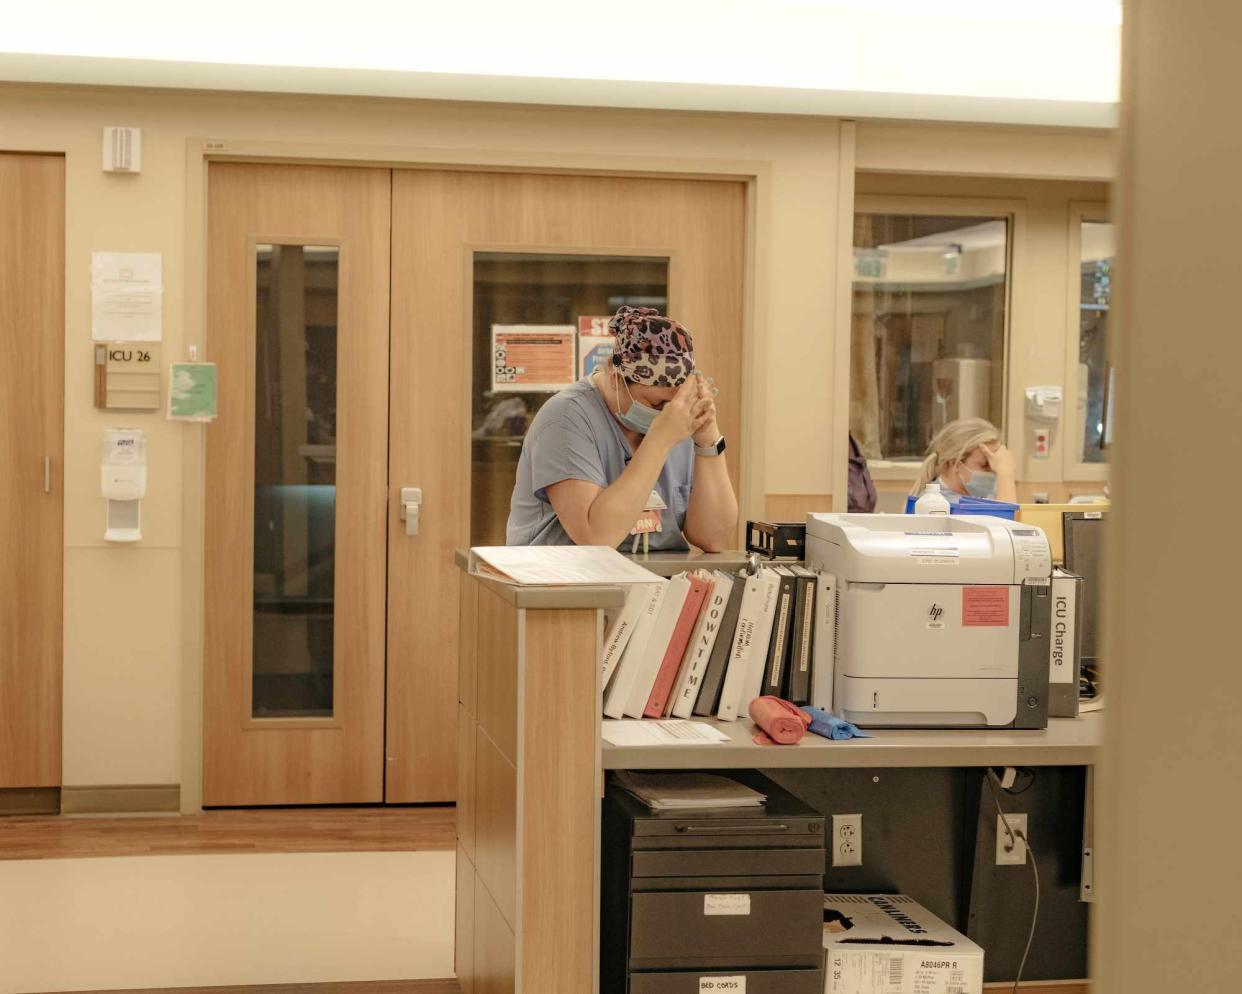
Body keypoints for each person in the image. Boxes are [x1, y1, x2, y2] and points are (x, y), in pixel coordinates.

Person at [506, 305, 738, 552]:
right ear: (616, 378)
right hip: (567, 583)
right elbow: (596, 538)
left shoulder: (682, 417)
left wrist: (708, 442)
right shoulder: (566, 418)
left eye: (675, 404)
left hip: (655, 584)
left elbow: (714, 538)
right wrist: (660, 440)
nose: (669, 414)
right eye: (656, 403)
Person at [910, 417, 1018, 503]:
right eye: (985, 464)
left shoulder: (986, 495)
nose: (994, 471)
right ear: (954, 463)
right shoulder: (938, 505)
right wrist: (1006, 474)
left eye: (996, 462)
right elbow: (1005, 527)